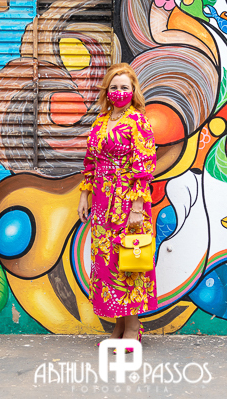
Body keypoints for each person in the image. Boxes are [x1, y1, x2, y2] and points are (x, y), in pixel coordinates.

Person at [77, 63, 157, 346]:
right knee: (107, 263)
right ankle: (119, 325)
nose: (119, 91)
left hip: (127, 202)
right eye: (114, 87)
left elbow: (144, 167)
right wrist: (84, 195)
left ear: (133, 91)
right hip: (101, 202)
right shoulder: (100, 122)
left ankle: (133, 328)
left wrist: (137, 208)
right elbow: (90, 162)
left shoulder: (138, 122)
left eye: (125, 87)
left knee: (128, 263)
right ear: (106, 91)